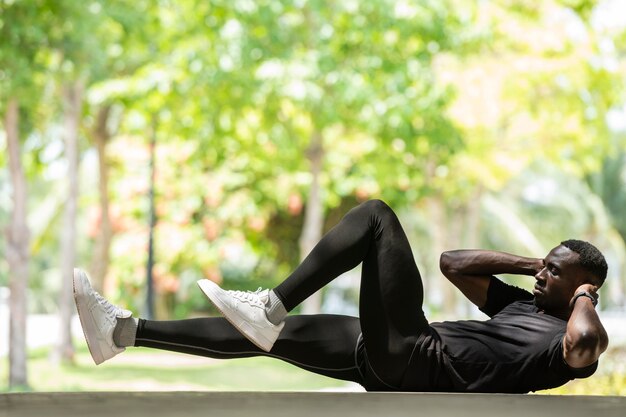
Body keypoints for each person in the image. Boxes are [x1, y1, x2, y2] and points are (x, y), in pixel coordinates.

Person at [73, 199, 609, 393]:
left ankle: (269, 303)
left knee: (376, 216)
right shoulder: (520, 304)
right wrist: (532, 262)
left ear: (582, 289)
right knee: (263, 339)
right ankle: (123, 332)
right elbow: (451, 264)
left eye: (554, 273)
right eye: (545, 265)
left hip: (415, 357)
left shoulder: (569, 338)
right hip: (387, 360)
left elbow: (585, 342)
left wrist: (584, 294)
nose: (542, 276)